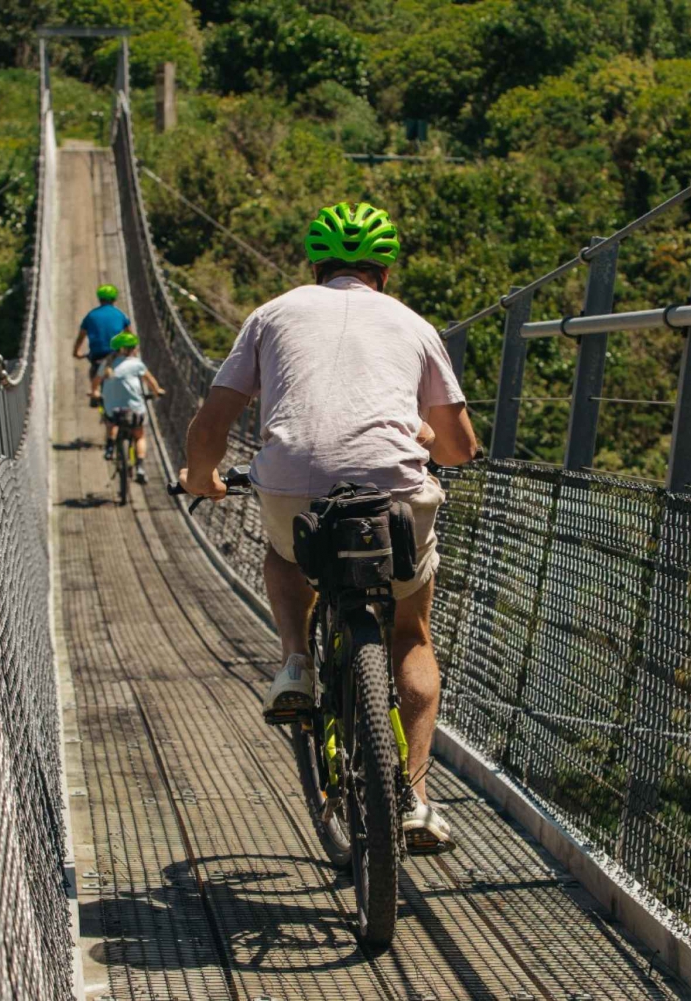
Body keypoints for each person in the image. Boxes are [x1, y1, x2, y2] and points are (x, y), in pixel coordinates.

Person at [178, 201, 477, 852]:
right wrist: (425, 438)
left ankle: (296, 662)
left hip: (292, 484)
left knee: (286, 555)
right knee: (411, 633)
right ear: (385, 272)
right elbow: (458, 448)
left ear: (315, 266)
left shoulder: (272, 314)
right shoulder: (413, 324)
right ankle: (416, 800)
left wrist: (201, 477)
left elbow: (211, 422)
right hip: (394, 492)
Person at [96, 332, 164, 484]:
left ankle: (110, 447)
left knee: (111, 421)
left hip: (112, 409)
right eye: (134, 347)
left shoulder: (107, 364)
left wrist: (94, 392)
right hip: (135, 409)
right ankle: (140, 467)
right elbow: (150, 381)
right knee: (139, 435)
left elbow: (96, 382)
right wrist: (158, 391)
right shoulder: (136, 364)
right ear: (127, 349)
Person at [73, 283, 132, 407]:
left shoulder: (90, 316)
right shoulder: (121, 315)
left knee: (94, 371)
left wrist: (76, 352)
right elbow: (130, 336)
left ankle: (95, 392)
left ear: (99, 299)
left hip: (97, 353)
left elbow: (81, 337)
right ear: (114, 299)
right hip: (116, 353)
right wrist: (130, 352)